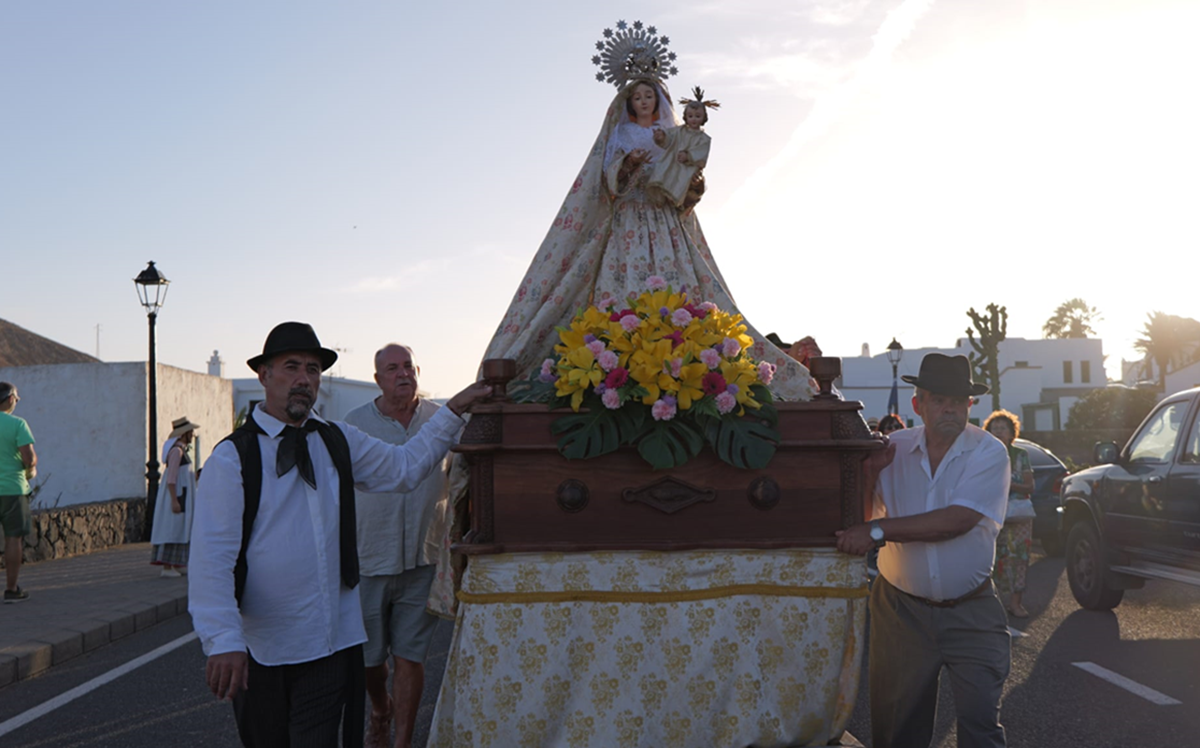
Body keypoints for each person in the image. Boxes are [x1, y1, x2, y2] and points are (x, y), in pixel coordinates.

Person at [188, 322, 490, 748]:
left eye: (312, 370)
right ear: (264, 376)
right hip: (263, 648)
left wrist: (454, 409)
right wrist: (222, 640)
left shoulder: (337, 440)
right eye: (291, 367)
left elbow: (404, 468)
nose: (303, 379)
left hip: (331, 643)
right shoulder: (232, 458)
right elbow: (211, 558)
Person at [480, 57, 814, 402]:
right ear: (628, 102)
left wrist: (691, 179)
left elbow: (684, 186)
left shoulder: (674, 136)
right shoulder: (621, 133)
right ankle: (619, 357)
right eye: (637, 96)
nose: (643, 101)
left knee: (683, 288)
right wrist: (629, 164)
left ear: (659, 100)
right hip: (627, 222)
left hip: (665, 223)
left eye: (649, 96)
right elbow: (606, 180)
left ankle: (683, 355)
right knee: (619, 290)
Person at [836, 353, 1011, 748]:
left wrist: (876, 531)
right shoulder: (892, 449)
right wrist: (868, 476)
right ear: (919, 405)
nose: (950, 407)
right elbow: (861, 518)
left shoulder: (988, 451)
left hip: (972, 608)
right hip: (901, 609)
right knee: (898, 731)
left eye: (958, 400)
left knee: (981, 726)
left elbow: (955, 522)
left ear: (970, 405)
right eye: (939, 399)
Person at [342, 344, 449, 748]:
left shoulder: (442, 422)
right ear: (378, 379)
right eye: (392, 368)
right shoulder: (354, 425)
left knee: (410, 656)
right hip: (369, 559)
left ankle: (401, 740)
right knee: (370, 661)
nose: (402, 373)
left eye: (408, 366)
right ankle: (380, 707)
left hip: (424, 559)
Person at [984, 409, 1036, 618]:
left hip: (1019, 514)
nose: (998, 432)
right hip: (993, 513)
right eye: (994, 429)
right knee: (994, 558)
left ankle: (1016, 603)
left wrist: (1009, 484)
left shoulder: (1020, 455)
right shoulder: (984, 455)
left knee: (1020, 557)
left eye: (1002, 428)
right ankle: (993, 604)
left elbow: (1029, 486)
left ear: (1011, 432)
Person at [647, 86, 718, 209]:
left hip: (687, 167)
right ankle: (658, 197)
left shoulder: (704, 139)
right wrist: (661, 137)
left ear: (704, 118)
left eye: (697, 116)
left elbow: (701, 153)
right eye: (690, 116)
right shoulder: (679, 131)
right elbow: (669, 137)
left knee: (681, 182)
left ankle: (674, 202)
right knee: (663, 172)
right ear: (685, 116)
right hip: (672, 161)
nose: (694, 119)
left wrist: (688, 156)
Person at [150, 416, 200, 577]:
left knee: (180, 529)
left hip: (181, 495)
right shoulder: (176, 452)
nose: (192, 435)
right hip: (178, 496)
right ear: (183, 434)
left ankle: (177, 563)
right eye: (190, 432)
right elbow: (172, 478)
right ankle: (167, 567)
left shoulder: (180, 451)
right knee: (172, 528)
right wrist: (174, 500)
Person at [0, 382, 36, 603]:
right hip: (13, 489)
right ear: (10, 399)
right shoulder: (18, 424)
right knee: (13, 539)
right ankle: (11, 589)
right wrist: (30, 469)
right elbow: (29, 458)